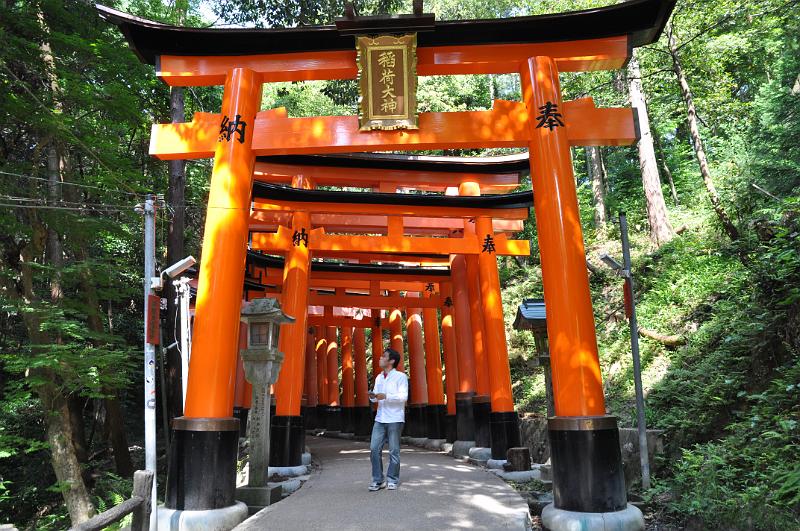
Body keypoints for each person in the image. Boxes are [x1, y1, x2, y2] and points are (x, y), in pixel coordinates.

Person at [368, 348, 408, 491]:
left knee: (394, 451)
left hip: (395, 418)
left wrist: (386, 396)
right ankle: (378, 480)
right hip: (380, 418)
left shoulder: (400, 377)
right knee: (374, 449)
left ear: (391, 361)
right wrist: (373, 396)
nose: (380, 358)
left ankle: (392, 478)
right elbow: (376, 398)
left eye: (383, 356)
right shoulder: (379, 377)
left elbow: (404, 397)